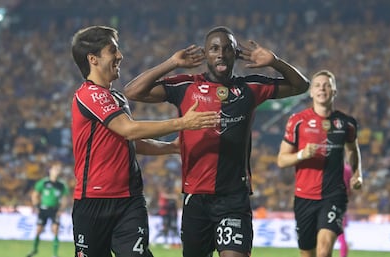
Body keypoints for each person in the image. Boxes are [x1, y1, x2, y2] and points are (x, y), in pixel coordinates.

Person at [124, 26, 309, 257]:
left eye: (227, 49)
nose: (220, 53)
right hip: (196, 199)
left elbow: (302, 86)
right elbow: (132, 91)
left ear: (235, 55)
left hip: (234, 197)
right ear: (205, 54)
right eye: (214, 49)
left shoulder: (250, 87)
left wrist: (276, 62)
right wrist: (171, 63)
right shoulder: (187, 86)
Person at [70, 25, 219, 257]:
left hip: (130, 199)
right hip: (93, 201)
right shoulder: (88, 95)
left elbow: (132, 142)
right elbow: (129, 130)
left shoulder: (116, 97)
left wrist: (171, 147)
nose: (120, 56)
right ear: (93, 59)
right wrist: (183, 123)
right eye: (113, 51)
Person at [277, 69, 363, 257]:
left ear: (334, 91)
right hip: (304, 198)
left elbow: (352, 149)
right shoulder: (297, 121)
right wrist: (301, 155)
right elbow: (281, 160)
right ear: (311, 92)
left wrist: (357, 173)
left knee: (324, 251)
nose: (322, 89)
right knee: (308, 253)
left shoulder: (346, 123)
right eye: (317, 85)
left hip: (334, 195)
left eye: (327, 85)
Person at [26, 161, 69, 257]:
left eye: (58, 170)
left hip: (54, 210)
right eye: (55, 169)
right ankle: (34, 249)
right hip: (43, 209)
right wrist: (37, 206)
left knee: (55, 229)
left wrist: (61, 210)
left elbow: (65, 199)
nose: (56, 171)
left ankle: (55, 254)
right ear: (50, 170)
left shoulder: (61, 185)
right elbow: (35, 195)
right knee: (38, 230)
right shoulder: (43, 182)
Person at [337, 163, 352, 257]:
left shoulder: (328, 165)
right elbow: (349, 191)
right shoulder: (347, 169)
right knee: (342, 237)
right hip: (341, 204)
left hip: (327, 204)